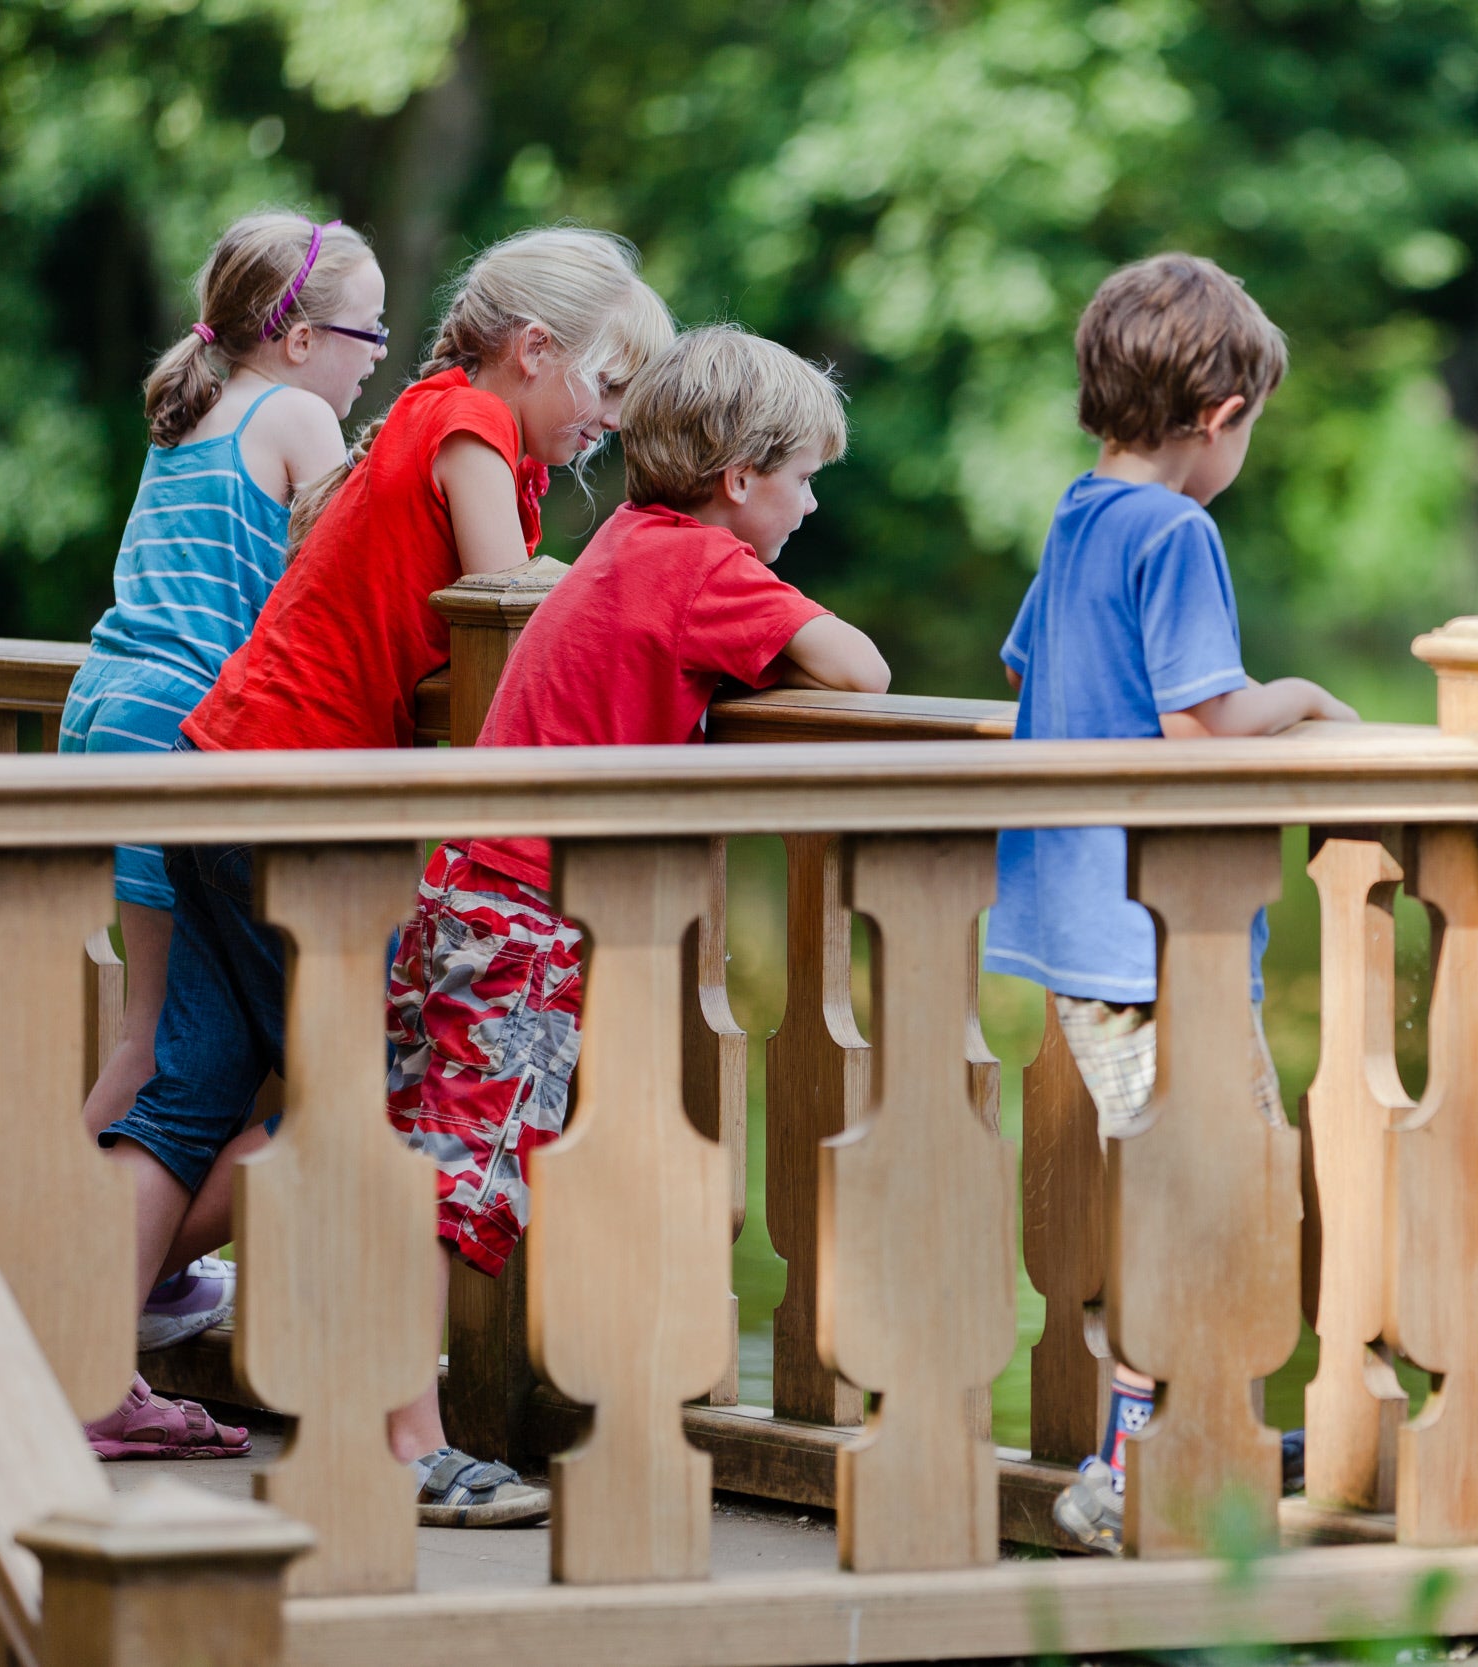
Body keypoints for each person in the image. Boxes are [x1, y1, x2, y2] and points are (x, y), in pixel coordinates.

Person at [95, 227, 673, 1523]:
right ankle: (399, 1436)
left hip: (226, 774)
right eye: (610, 386)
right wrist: (658, 602)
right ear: (534, 352)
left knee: (196, 1090)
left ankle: (58, 1343)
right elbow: (505, 597)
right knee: (378, 1099)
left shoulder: (427, 414)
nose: (614, 421)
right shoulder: (469, 422)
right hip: (287, 803)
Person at [379, 324, 885, 1520]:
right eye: (805, 476)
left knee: (434, 1169)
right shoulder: (704, 569)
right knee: (461, 1186)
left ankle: (396, 1426)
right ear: (740, 477)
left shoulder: (625, 540)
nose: (811, 504)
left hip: (471, 894)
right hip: (520, 916)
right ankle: (398, 1447)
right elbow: (858, 670)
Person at [981, 253, 1356, 1552]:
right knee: (1222, 1185)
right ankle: (1132, 1461)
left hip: (1077, 927)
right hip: (1154, 944)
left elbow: (1031, 665)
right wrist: (1303, 699)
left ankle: (1195, 1423)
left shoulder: (1080, 514)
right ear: (1223, 414)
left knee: (1192, 1182)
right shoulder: (1177, 531)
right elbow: (1205, 725)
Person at [69, 211, 390, 1461]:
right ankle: (52, 1313)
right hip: (185, 738)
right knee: (169, 1049)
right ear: (302, 335)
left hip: (114, 713)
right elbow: (349, 562)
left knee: (160, 1037)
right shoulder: (296, 418)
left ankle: (101, 1283)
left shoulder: (195, 415)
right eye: (366, 334)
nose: (376, 358)